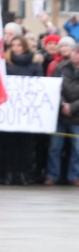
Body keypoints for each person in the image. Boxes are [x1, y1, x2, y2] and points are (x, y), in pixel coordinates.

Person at [0, 35, 42, 185]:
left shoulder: (34, 65)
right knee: (9, 144)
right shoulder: (5, 64)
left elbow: (40, 84)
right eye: (13, 45)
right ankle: (9, 173)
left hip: (27, 111)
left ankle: (22, 173)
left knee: (25, 144)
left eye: (19, 45)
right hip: (10, 112)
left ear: (24, 47)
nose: (16, 48)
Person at [45, 43, 79, 186]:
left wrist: (73, 106)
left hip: (77, 116)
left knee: (77, 148)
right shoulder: (61, 67)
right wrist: (63, 104)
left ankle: (74, 176)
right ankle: (52, 175)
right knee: (55, 147)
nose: (75, 55)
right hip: (60, 114)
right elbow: (54, 88)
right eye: (75, 52)